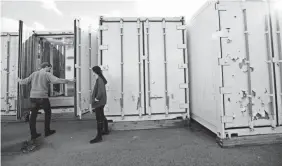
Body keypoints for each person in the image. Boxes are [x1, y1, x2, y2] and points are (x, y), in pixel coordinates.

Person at [18, 62, 74, 140]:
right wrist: (68, 81)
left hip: (33, 97)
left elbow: (24, 82)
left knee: (33, 116)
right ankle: (47, 131)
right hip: (42, 97)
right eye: (49, 68)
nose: (50, 70)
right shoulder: (46, 74)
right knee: (47, 113)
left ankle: (33, 134)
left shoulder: (34, 74)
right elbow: (56, 80)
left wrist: (19, 80)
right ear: (46, 67)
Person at [90, 66, 109, 144]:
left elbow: (101, 92)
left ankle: (99, 136)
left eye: (93, 72)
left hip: (99, 102)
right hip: (102, 101)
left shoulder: (99, 80)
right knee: (102, 115)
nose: (93, 74)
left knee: (99, 118)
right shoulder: (100, 79)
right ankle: (106, 130)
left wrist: (96, 99)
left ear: (95, 72)